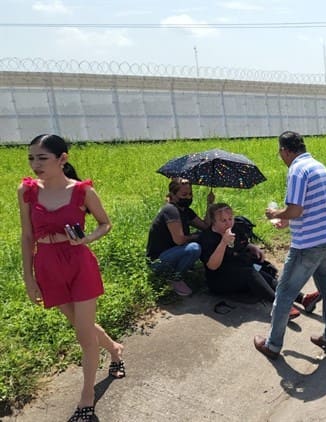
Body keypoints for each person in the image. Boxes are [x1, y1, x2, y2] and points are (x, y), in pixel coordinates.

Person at [18, 134, 124, 422]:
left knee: (83, 335)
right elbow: (27, 236)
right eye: (31, 158)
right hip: (48, 266)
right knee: (82, 325)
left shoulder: (82, 192)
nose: (35, 164)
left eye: (42, 158)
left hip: (79, 265)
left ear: (62, 158)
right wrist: (29, 278)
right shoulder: (27, 191)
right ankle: (115, 349)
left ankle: (87, 395)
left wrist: (86, 238)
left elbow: (105, 223)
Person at [254, 130, 326, 360]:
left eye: (280, 152)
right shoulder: (318, 166)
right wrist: (286, 218)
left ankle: (272, 345)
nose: (280, 156)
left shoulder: (297, 170)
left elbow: (296, 210)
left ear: (286, 150)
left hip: (306, 246)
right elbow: (309, 208)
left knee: (283, 293)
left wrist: (275, 213)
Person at [198, 203, 321, 319]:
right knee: (249, 273)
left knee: (266, 276)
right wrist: (223, 242)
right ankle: (280, 307)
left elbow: (242, 245)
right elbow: (212, 266)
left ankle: (303, 298)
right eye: (223, 220)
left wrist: (252, 247)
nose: (228, 223)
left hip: (238, 271)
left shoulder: (234, 229)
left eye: (230, 218)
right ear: (214, 222)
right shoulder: (207, 238)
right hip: (220, 280)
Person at [146, 178, 213, 296]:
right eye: (184, 194)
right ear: (173, 195)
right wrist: (195, 236)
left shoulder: (186, 211)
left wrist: (210, 204)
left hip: (173, 253)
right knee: (194, 248)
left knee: (205, 236)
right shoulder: (170, 210)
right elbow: (179, 240)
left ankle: (184, 268)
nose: (188, 197)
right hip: (157, 260)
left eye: (190, 194)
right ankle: (175, 278)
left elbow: (206, 226)